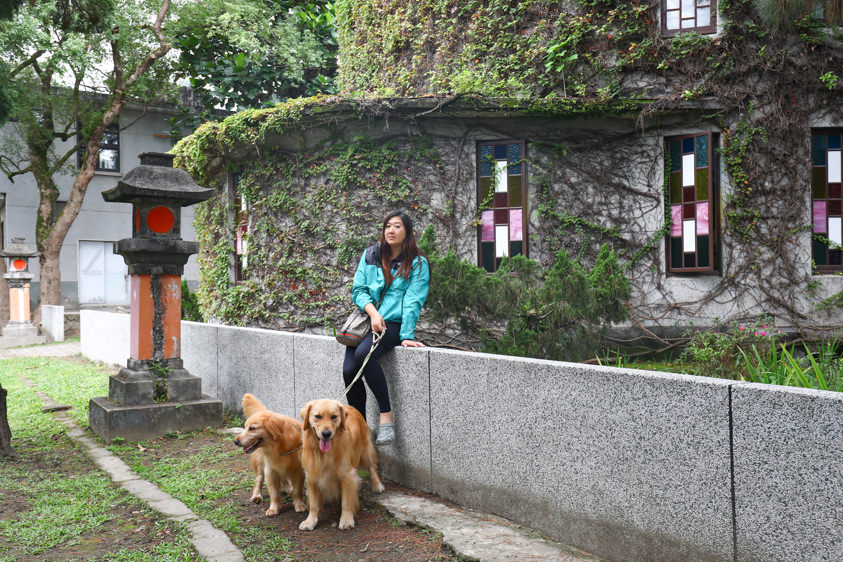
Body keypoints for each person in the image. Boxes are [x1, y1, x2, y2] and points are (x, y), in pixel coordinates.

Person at [342, 211, 430, 445]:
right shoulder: (370, 255)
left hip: (392, 324)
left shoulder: (418, 263)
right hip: (366, 320)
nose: (391, 230)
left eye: (397, 226)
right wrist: (372, 312)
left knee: (363, 355)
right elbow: (358, 290)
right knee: (349, 371)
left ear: (407, 232)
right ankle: (358, 428)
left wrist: (406, 335)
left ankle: (386, 417)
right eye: (388, 226)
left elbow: (413, 301)